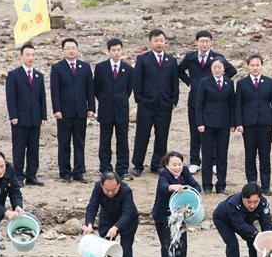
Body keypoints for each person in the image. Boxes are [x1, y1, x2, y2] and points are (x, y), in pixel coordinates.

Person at [178, 30, 237, 173]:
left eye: (207, 41)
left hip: (212, 101)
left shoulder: (217, 57)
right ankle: (195, 161)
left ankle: (214, 162)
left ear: (211, 42)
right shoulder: (190, 57)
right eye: (201, 41)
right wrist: (190, 82)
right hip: (195, 99)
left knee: (213, 131)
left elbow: (232, 70)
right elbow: (179, 70)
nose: (204, 44)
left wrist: (221, 85)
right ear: (197, 42)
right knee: (195, 129)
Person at [83, 172, 139, 257]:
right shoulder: (97, 188)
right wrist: (89, 224)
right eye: (106, 190)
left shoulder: (126, 191)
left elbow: (127, 213)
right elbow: (92, 207)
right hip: (107, 219)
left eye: (113, 190)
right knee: (102, 253)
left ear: (119, 185)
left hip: (127, 221)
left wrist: (116, 227)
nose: (110, 193)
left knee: (126, 253)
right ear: (102, 186)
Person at [151, 151, 201, 257]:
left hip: (180, 216)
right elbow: (162, 187)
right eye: (174, 165)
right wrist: (172, 187)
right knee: (168, 248)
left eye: (179, 164)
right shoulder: (164, 175)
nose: (177, 167)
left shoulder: (185, 172)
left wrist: (187, 190)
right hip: (163, 216)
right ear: (167, 165)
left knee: (182, 247)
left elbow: (197, 187)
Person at [131, 29, 179, 177]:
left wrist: (173, 100)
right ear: (150, 42)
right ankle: (138, 164)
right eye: (156, 40)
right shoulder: (143, 59)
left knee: (162, 136)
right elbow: (137, 81)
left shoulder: (171, 61)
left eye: (161, 40)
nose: (159, 43)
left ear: (165, 42)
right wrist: (140, 99)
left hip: (164, 105)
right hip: (146, 104)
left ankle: (158, 164)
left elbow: (174, 82)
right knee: (142, 134)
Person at [213, 182, 272, 257]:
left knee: (255, 241)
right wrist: (257, 234)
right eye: (248, 202)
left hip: (245, 219)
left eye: (255, 202)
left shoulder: (263, 203)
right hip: (223, 220)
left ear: (260, 199)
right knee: (233, 245)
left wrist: (268, 238)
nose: (252, 205)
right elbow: (240, 225)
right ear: (242, 198)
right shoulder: (233, 204)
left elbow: (267, 223)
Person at [235, 54, 272, 195]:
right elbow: (237, 105)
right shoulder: (242, 83)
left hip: (265, 123)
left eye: (257, 65)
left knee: (265, 155)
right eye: (252, 65)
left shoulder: (269, 82)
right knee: (250, 155)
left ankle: (266, 186)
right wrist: (239, 123)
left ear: (262, 66)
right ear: (248, 66)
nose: (255, 67)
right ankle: (252, 184)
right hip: (248, 124)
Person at [50, 38, 94, 183]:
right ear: (63, 51)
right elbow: (54, 91)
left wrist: (91, 108)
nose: (71, 50)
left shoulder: (85, 67)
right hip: (64, 112)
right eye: (68, 48)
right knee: (64, 142)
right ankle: (65, 172)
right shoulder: (57, 68)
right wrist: (56, 109)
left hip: (81, 111)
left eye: (73, 48)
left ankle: (79, 172)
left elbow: (90, 89)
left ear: (77, 49)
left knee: (79, 142)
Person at [6, 43, 47, 186]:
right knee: (19, 148)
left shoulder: (38, 76)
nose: (31, 58)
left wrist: (43, 116)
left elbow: (42, 97)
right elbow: (10, 97)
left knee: (33, 148)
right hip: (20, 118)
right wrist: (13, 116)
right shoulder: (14, 75)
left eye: (33, 55)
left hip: (35, 118)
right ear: (22, 56)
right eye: (28, 55)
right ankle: (18, 175)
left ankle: (31, 175)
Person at [94, 38, 134, 178]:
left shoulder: (128, 69)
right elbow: (96, 89)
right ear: (108, 51)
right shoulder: (101, 68)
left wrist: (120, 99)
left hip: (121, 109)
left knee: (122, 139)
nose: (116, 53)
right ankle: (105, 167)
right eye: (113, 50)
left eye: (118, 50)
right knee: (105, 139)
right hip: (106, 109)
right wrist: (106, 100)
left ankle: (122, 168)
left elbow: (129, 90)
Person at [196, 59, 235, 194]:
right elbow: (199, 104)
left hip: (224, 124)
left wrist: (233, 123)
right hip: (207, 124)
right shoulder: (204, 82)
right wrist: (200, 123)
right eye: (214, 67)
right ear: (211, 69)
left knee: (222, 155)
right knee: (207, 155)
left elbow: (232, 104)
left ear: (224, 69)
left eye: (219, 67)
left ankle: (221, 185)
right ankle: (207, 185)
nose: (217, 70)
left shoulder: (229, 83)